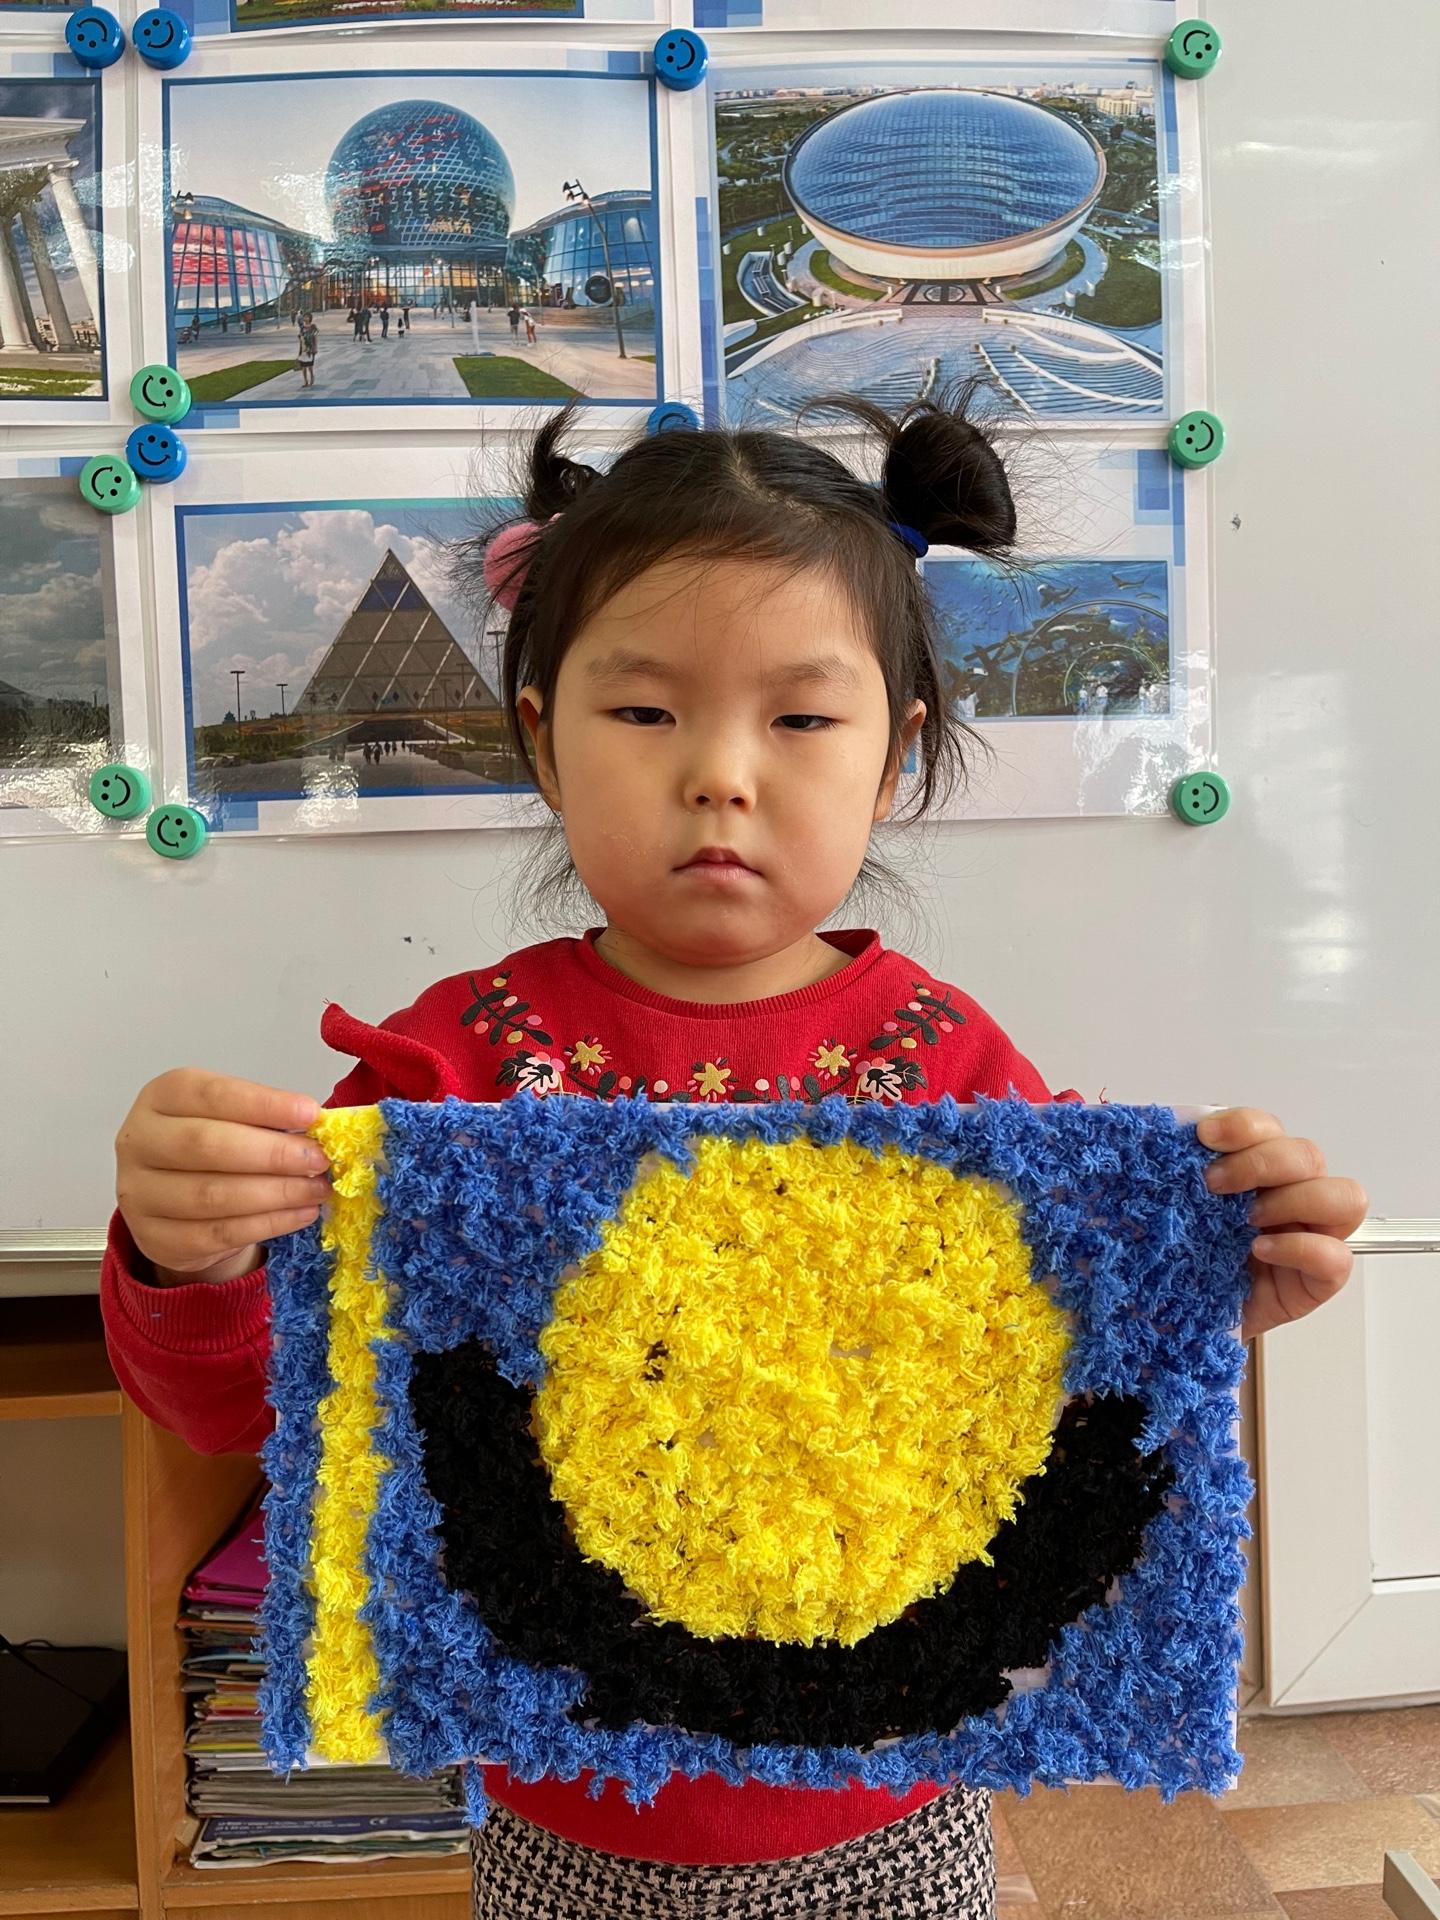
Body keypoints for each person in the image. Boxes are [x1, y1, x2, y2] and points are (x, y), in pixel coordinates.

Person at [101, 389, 1368, 1920]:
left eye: (801, 719)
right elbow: (260, 1415)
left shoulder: (961, 1081)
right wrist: (193, 1255)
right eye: (644, 713)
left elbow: (1040, 1403)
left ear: (892, 758)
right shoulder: (441, 1082)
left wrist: (1208, 1296)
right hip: (567, 1827)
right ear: (542, 741)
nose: (720, 771)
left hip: (894, 1809)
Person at [295, 312, 316, 388]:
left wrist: (315, 347)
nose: (306, 318)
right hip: (303, 349)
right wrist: (300, 336)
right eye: (305, 317)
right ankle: (305, 381)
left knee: (310, 366)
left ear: (310, 318)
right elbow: (300, 336)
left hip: (310, 349)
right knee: (303, 367)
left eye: (307, 317)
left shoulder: (313, 327)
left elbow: (315, 338)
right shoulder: (302, 327)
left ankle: (312, 378)